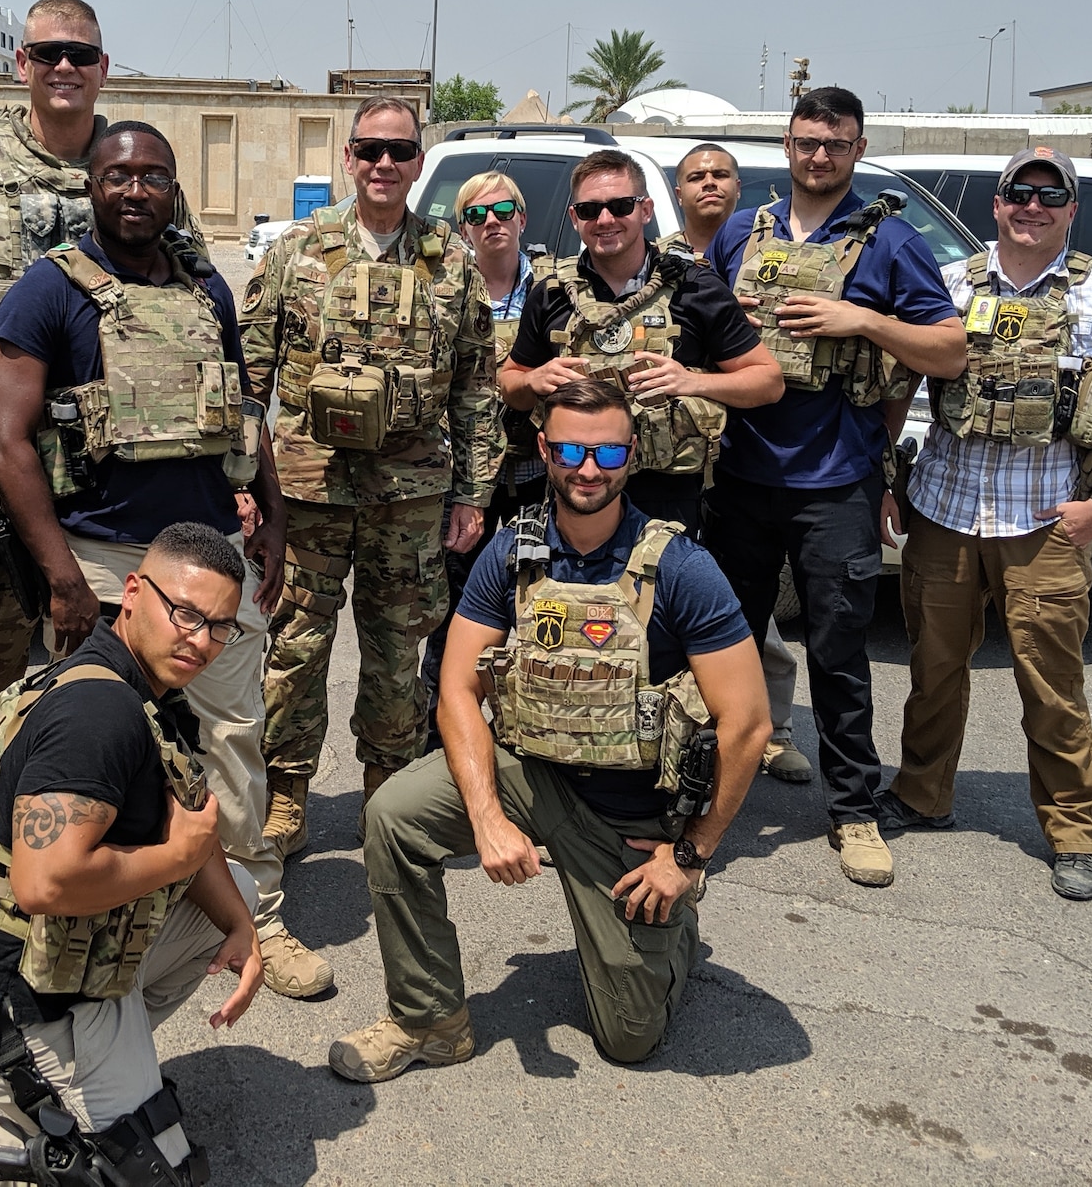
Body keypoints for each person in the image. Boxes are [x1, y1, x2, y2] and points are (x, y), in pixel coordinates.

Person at [0, 120, 331, 999]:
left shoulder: (207, 285)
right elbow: (5, 442)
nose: (135, 190)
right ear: (89, 186)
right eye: (118, 175)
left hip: (210, 560)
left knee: (235, 739)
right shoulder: (46, 292)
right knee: (102, 743)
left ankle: (257, 914)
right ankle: (92, 913)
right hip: (103, 560)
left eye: (154, 177)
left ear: (173, 189)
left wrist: (275, 525)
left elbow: (244, 414)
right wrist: (61, 573)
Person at [329, 379, 770, 1081]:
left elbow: (747, 724)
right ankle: (429, 1020)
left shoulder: (683, 569)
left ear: (632, 456)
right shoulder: (511, 554)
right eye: (568, 449)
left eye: (605, 452)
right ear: (544, 450)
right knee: (393, 817)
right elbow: (458, 688)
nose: (587, 468)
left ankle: (674, 933)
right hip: (532, 776)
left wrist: (689, 856)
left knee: (629, 1039)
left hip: (629, 826)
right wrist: (485, 819)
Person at [0, 524, 262, 1187]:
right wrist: (175, 858)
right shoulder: (98, 717)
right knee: (144, 1179)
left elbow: (184, 818)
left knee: (236, 892)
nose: (201, 639)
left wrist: (241, 927)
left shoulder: (149, 689)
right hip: (16, 1011)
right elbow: (46, 883)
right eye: (185, 613)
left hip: (71, 965)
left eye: (220, 626)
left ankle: (97, 1080)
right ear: (133, 592)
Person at [0, 0, 204, 830]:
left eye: (83, 55)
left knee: (106, 685)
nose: (66, 67)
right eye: (49, 53)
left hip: (109, 481)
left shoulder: (135, 164)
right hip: (1, 469)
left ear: (104, 68)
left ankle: (83, 861)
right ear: (21, 64)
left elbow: (194, 297)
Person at [880, 146, 1092, 902]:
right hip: (943, 510)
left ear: (1071, 209)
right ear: (997, 203)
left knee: (1052, 684)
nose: (1032, 205)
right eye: (1019, 192)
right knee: (933, 670)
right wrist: (885, 477)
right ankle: (920, 794)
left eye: (1051, 194)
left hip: (1043, 522)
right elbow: (899, 380)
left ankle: (1073, 831)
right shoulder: (950, 284)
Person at [704, 87, 968, 888]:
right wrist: (731, 321)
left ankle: (852, 810)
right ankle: (699, 800)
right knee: (719, 646)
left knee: (841, 656)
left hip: (836, 484)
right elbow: (694, 333)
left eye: (836, 144)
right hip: (742, 476)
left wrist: (862, 322)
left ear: (857, 150)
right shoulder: (743, 236)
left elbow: (950, 348)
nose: (819, 156)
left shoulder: (888, 239)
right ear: (787, 145)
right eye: (807, 141)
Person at [241, 96, 503, 857]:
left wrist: (473, 493)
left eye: (400, 151)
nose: (384, 164)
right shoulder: (297, 252)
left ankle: (387, 797)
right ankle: (285, 793)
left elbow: (476, 387)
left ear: (419, 163)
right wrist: (243, 483)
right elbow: (249, 375)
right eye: (370, 150)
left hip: (410, 500)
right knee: (293, 646)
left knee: (398, 653)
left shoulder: (450, 260)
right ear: (348, 159)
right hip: (306, 492)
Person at [500, 147, 783, 534]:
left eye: (620, 206)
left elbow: (768, 381)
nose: (604, 220)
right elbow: (511, 382)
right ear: (574, 218)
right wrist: (531, 381)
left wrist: (693, 381)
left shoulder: (695, 288)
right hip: (574, 498)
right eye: (589, 210)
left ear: (645, 210)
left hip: (669, 500)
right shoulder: (551, 293)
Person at [672, 143, 811, 784]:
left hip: (749, 455)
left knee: (744, 611)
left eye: (720, 175)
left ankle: (772, 731)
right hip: (677, 465)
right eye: (695, 177)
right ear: (676, 194)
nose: (709, 185)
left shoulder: (768, 255)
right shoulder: (657, 260)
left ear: (739, 185)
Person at [415, 171, 544, 751]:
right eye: (476, 214)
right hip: (459, 481)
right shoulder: (437, 289)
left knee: (534, 603)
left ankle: (527, 736)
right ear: (462, 228)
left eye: (502, 209)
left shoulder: (555, 293)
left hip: (535, 479)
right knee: (454, 610)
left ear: (522, 218)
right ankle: (439, 739)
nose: (491, 221)